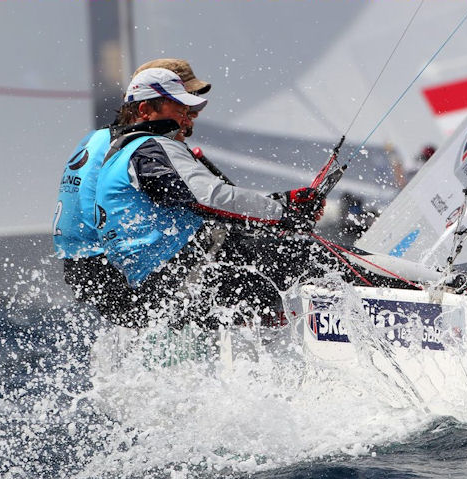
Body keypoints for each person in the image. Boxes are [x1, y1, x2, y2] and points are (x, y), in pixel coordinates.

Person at [94, 67, 327, 328]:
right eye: (180, 110)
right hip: (184, 280)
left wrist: (281, 202)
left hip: (160, 289)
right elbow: (211, 199)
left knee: (276, 257)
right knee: (319, 260)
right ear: (145, 111)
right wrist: (285, 215)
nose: (189, 121)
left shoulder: (117, 154)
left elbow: (197, 203)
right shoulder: (150, 148)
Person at [52, 59, 211, 323]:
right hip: (115, 271)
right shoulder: (137, 148)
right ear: (148, 104)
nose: (190, 115)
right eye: (183, 101)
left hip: (86, 269)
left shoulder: (98, 139)